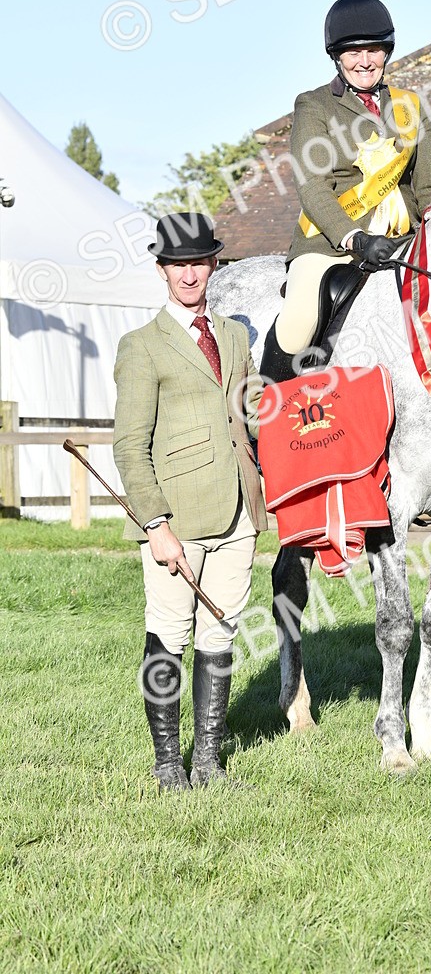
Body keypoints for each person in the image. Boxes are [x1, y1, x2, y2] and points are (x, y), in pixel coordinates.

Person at [113, 213, 268, 792]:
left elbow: (251, 415)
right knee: (169, 634)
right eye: (178, 265)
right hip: (175, 520)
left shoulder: (235, 336)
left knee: (220, 633)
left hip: (238, 514)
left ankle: (207, 761)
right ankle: (166, 764)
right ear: (161, 270)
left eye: (198, 263)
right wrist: (155, 524)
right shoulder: (141, 346)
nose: (188, 275)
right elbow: (129, 447)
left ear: (213, 265)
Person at [260, 0, 431, 383]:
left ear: (386, 52)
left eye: (373, 50)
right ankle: (267, 409)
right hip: (331, 245)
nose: (364, 61)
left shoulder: (411, 107)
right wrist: (354, 237)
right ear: (337, 56)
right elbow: (312, 186)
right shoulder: (314, 106)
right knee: (298, 323)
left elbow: (430, 186)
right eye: (353, 52)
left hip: (403, 243)